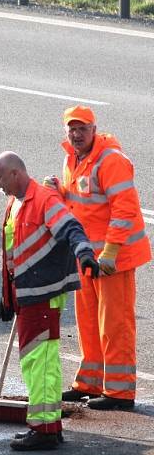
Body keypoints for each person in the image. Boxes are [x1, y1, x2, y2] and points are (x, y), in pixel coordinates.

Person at [0, 152, 99, 451]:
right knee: (46, 362)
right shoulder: (15, 203)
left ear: (16, 174)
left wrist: (85, 254)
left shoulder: (43, 200)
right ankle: (50, 425)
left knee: (37, 363)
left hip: (42, 295)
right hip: (30, 294)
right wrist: (8, 296)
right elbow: (14, 254)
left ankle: (42, 429)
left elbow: (72, 229)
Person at [46, 105, 150, 410]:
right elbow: (81, 203)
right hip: (88, 257)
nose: (77, 135)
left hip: (114, 258)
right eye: (72, 130)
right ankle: (90, 382)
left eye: (83, 129)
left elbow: (125, 210)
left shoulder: (111, 161)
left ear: (94, 129)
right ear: (66, 132)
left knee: (115, 324)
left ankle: (119, 394)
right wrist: (57, 192)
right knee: (89, 322)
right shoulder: (73, 158)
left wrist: (111, 252)